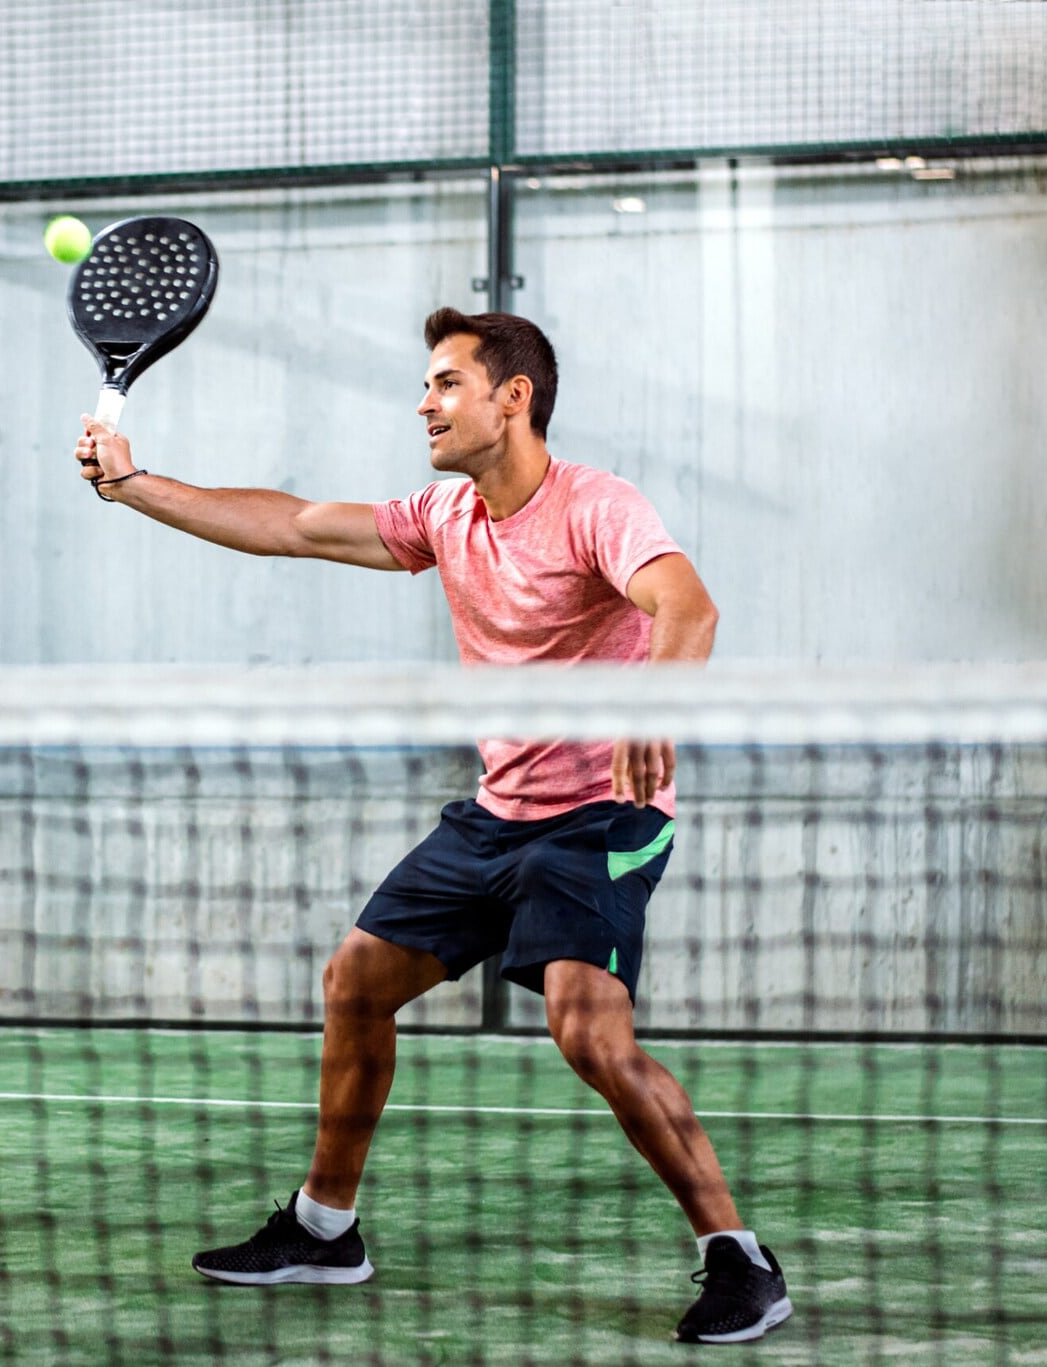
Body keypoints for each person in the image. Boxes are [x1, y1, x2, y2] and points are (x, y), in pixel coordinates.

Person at [70, 309, 792, 1345]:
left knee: (587, 1029)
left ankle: (739, 1257)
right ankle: (324, 1228)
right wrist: (135, 483)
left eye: (446, 383)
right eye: (425, 385)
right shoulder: (446, 519)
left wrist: (651, 708)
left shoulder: (595, 506)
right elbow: (292, 522)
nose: (423, 403)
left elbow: (687, 607)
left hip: (599, 816)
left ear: (513, 396)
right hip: (493, 814)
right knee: (354, 982)